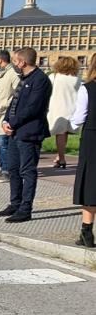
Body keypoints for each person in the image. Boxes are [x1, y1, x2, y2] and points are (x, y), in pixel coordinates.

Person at [0, 47, 53, 223]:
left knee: (27, 171)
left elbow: (33, 107)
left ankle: (25, 208)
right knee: (13, 169)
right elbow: (14, 103)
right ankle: (15, 202)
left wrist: (13, 122)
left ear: (23, 62)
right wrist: (6, 121)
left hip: (29, 132)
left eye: (15, 60)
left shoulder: (40, 80)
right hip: (15, 132)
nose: (14, 64)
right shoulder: (23, 79)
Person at [70, 54, 96, 247]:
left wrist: (69, 125)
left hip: (92, 137)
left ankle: (87, 231)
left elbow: (79, 117)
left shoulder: (87, 89)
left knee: (90, 182)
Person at [0, 49, 21, 183]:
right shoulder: (3, 74)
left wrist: (6, 106)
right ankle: (2, 168)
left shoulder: (12, 74)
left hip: (4, 114)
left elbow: (17, 93)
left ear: (0, 60)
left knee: (3, 143)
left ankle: (7, 170)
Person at [47, 56, 82, 169]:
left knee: (60, 133)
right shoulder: (77, 79)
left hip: (57, 108)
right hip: (72, 108)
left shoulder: (54, 77)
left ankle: (61, 158)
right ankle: (59, 156)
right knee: (64, 133)